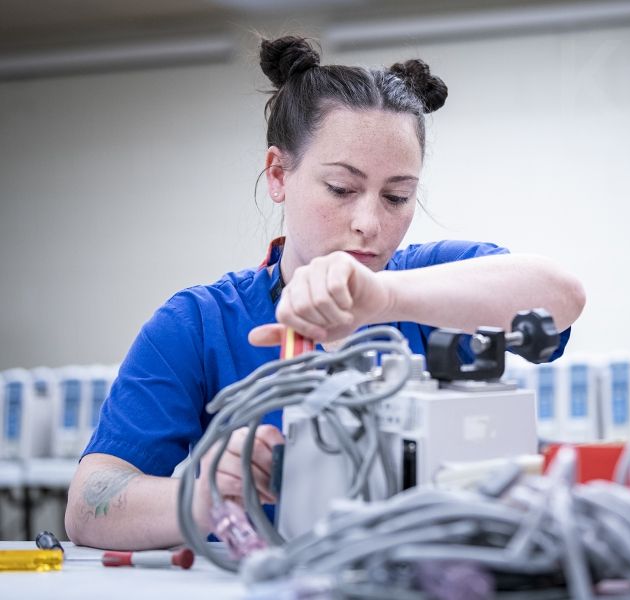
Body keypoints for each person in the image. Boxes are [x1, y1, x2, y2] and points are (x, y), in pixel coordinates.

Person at [64, 36, 586, 550]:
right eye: (341, 189)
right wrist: (203, 495)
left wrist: (382, 297)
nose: (369, 223)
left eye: (397, 196)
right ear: (278, 174)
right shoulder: (201, 323)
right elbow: (90, 506)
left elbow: (560, 296)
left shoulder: (432, 284)